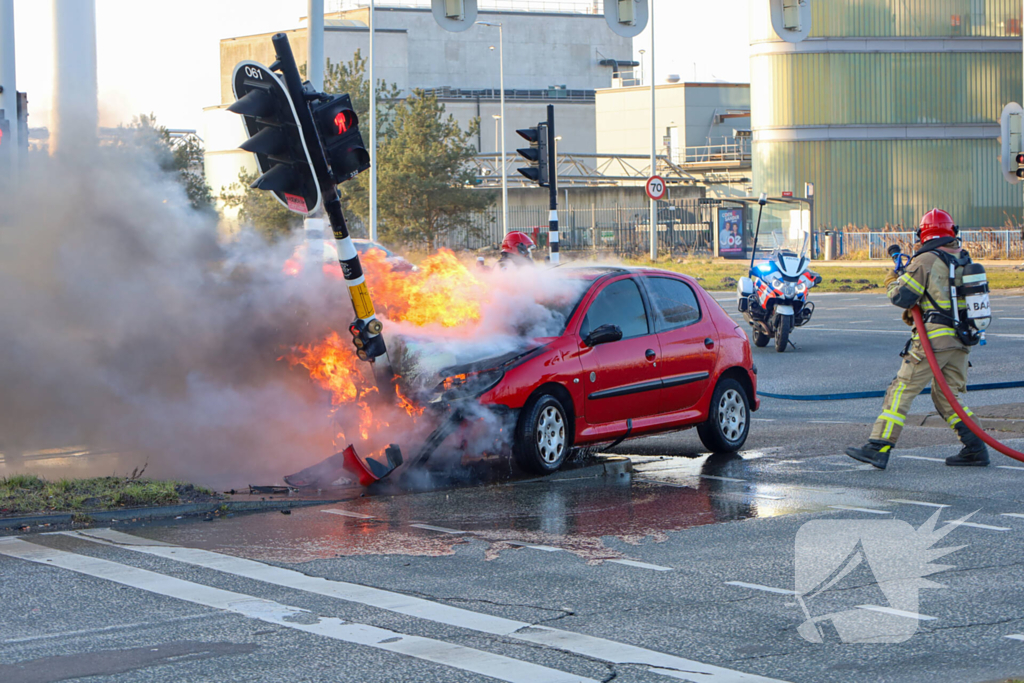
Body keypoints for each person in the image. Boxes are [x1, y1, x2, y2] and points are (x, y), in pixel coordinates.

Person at [845, 208, 989, 470]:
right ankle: (976, 448)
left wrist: (892, 277)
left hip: (934, 340)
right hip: (962, 340)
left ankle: (879, 446)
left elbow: (901, 296)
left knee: (901, 389)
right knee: (947, 397)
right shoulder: (962, 258)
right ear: (951, 232)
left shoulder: (926, 260)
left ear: (923, 234)